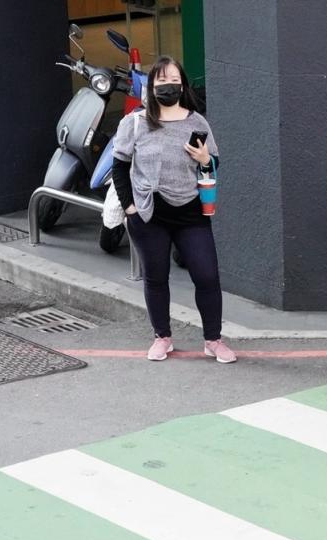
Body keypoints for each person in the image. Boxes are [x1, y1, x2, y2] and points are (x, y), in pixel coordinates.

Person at [112, 56, 235, 364]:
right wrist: (129, 208)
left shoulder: (197, 122)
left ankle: (213, 340)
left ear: (183, 85)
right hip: (149, 212)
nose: (168, 86)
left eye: (174, 81)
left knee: (207, 276)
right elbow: (120, 167)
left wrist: (207, 158)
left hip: (190, 212)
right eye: (162, 81)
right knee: (156, 276)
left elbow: (213, 163)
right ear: (151, 86)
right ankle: (162, 337)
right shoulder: (136, 122)